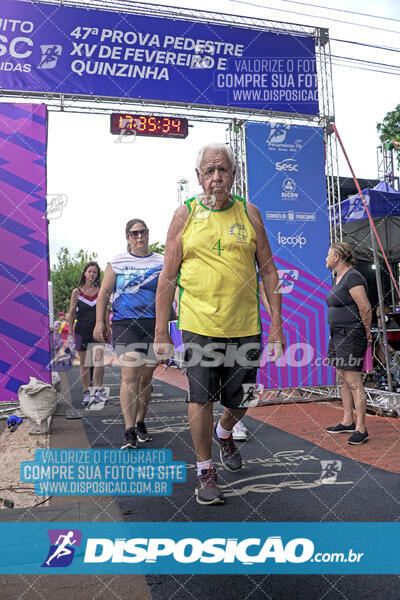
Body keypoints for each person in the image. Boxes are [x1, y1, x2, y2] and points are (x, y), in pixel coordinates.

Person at [154, 143, 285, 505]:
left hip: (245, 325)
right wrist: (161, 332)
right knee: (200, 397)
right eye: (209, 172)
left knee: (242, 399)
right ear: (198, 177)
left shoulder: (249, 212)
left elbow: (269, 270)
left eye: (223, 170)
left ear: (234, 174)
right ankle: (205, 470)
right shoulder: (185, 214)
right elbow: (167, 277)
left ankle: (225, 431)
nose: (216, 178)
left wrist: (276, 326)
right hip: (199, 324)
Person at [94, 219, 164, 449]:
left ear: (148, 234)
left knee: (146, 378)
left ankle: (140, 421)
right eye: (134, 234)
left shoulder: (161, 261)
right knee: (130, 376)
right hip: (125, 324)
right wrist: (100, 323)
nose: (139, 237)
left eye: (143, 232)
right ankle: (129, 430)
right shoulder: (116, 262)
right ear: (127, 238)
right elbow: (104, 293)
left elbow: (170, 291)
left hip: (153, 324)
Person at [325, 242, 372, 445]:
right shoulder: (338, 277)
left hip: (351, 334)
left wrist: (367, 331)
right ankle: (347, 421)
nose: (325, 259)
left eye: (328, 255)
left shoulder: (353, 277)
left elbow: (365, 307)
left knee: (353, 381)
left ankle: (361, 428)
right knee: (342, 378)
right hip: (338, 334)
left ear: (337, 257)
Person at [68, 262, 107, 406]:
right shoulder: (76, 292)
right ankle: (86, 392)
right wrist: (70, 333)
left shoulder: (101, 290)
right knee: (84, 364)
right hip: (82, 330)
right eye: (90, 271)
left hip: (98, 330)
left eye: (95, 272)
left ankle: (98, 391)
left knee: (99, 362)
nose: (92, 274)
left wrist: (107, 329)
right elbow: (71, 314)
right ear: (84, 273)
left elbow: (105, 311)